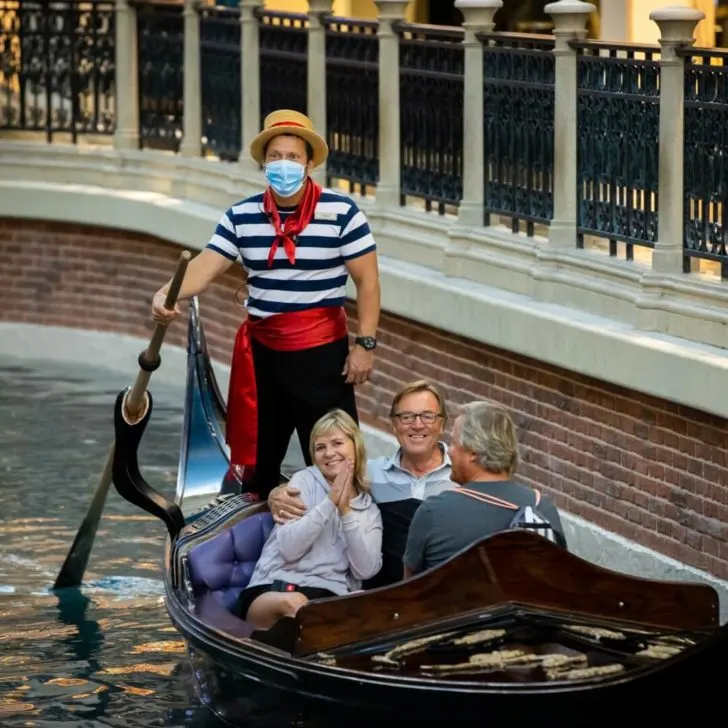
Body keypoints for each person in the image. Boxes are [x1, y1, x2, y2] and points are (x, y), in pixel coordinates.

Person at [151, 109, 381, 499]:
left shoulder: (342, 213)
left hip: (324, 359)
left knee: (336, 459)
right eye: (275, 156)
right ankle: (258, 536)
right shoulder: (240, 216)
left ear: (309, 162)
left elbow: (368, 282)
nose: (284, 165)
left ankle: (347, 536)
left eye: (292, 157)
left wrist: (365, 344)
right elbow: (206, 268)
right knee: (259, 464)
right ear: (264, 163)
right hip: (263, 359)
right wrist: (165, 294)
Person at [269, 380, 454, 587]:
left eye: (428, 416)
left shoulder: (461, 477)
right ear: (394, 425)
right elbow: (324, 478)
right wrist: (276, 495)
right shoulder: (369, 473)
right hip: (379, 593)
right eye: (407, 417)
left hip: (441, 594)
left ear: (442, 424)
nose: (417, 424)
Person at [235, 409, 382, 630]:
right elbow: (289, 549)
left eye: (337, 443)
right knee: (297, 604)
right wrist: (329, 504)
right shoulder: (303, 481)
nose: (329, 453)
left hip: (327, 598)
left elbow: (366, 570)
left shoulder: (369, 510)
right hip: (274, 590)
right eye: (320, 447)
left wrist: (345, 511)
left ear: (355, 445)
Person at [403, 401, 566, 577]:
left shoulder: (433, 511)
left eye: (453, 442)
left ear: (473, 452)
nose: (449, 451)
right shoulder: (542, 507)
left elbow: (409, 589)